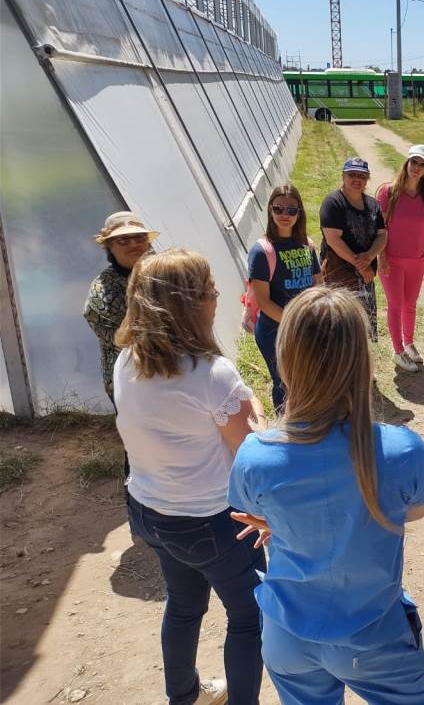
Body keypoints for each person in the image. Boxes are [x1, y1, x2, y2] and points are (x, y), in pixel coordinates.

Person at [228, 286, 424, 705]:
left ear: (286, 364)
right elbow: (415, 511)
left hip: (288, 637)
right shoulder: (400, 449)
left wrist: (285, 523)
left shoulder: (256, 455)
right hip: (373, 637)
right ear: (365, 365)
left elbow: (255, 509)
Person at [114, 249, 266, 705]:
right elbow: (251, 452)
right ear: (185, 303)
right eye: (209, 290)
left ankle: (182, 697)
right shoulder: (212, 375)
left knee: (182, 605)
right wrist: (254, 406)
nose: (217, 297)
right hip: (209, 522)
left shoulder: (128, 359)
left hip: (149, 512)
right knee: (249, 617)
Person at [248, 184, 321, 411]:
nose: (284, 215)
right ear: (270, 210)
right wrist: (295, 322)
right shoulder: (262, 251)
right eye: (278, 209)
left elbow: (319, 283)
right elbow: (264, 302)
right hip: (274, 331)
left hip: (305, 327)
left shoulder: (307, 245)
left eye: (291, 210)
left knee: (309, 380)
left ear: (300, 213)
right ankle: (285, 430)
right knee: (284, 384)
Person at [377, 144, 424, 373]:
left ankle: (409, 342)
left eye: (422, 164)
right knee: (395, 305)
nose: (417, 167)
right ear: (407, 162)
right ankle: (397, 351)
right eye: (414, 161)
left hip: (417, 259)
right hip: (391, 260)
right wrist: (381, 256)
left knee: (410, 305)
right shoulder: (388, 192)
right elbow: (379, 228)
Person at [84, 211, 158, 406]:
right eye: (123, 240)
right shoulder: (102, 291)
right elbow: (126, 340)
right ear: (110, 246)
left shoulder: (166, 271)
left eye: (139, 237)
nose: (133, 244)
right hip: (134, 377)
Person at [319, 157, 387, 340]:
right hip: (339, 275)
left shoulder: (373, 205)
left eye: (362, 176)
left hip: (365, 278)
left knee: (361, 328)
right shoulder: (333, 203)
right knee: (340, 326)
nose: (357, 179)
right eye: (352, 174)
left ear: (367, 179)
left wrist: (371, 255)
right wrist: (363, 266)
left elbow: (382, 235)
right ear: (343, 176)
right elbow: (333, 239)